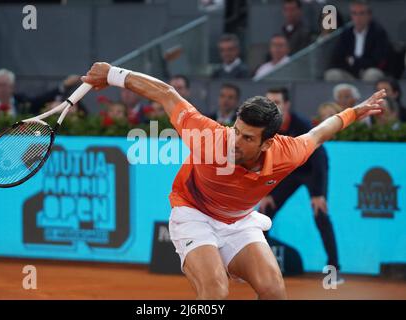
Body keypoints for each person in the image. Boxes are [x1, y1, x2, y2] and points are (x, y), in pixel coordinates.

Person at [82, 61, 385, 300]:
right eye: (237, 130)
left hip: (238, 222)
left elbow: (319, 133)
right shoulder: (210, 137)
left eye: (248, 138)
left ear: (267, 143)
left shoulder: (286, 152)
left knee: (274, 290)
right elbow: (166, 94)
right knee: (215, 291)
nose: (235, 141)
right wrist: (113, 73)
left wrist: (355, 112)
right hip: (193, 214)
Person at [259, 88, 342, 283]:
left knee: (320, 214)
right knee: (263, 214)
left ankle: (334, 270)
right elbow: (266, 159)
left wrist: (318, 193)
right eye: (269, 102)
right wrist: (265, 191)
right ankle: (256, 268)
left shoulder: (302, 124)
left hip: (312, 171)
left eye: (277, 102)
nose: (273, 107)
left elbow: (319, 159)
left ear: (287, 105)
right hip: (288, 173)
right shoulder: (266, 128)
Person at [324, 0, 392, 82]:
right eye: (354, 13)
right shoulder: (346, 33)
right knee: (332, 74)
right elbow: (337, 58)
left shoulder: (378, 33)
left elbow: (377, 60)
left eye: (362, 13)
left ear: (369, 15)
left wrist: (353, 61)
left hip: (369, 71)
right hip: (349, 73)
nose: (358, 17)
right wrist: (353, 63)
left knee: (372, 75)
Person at [0, 69, 80, 120]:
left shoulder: (24, 102)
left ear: (12, 87)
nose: (2, 89)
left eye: (5, 85)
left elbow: (42, 100)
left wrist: (64, 86)